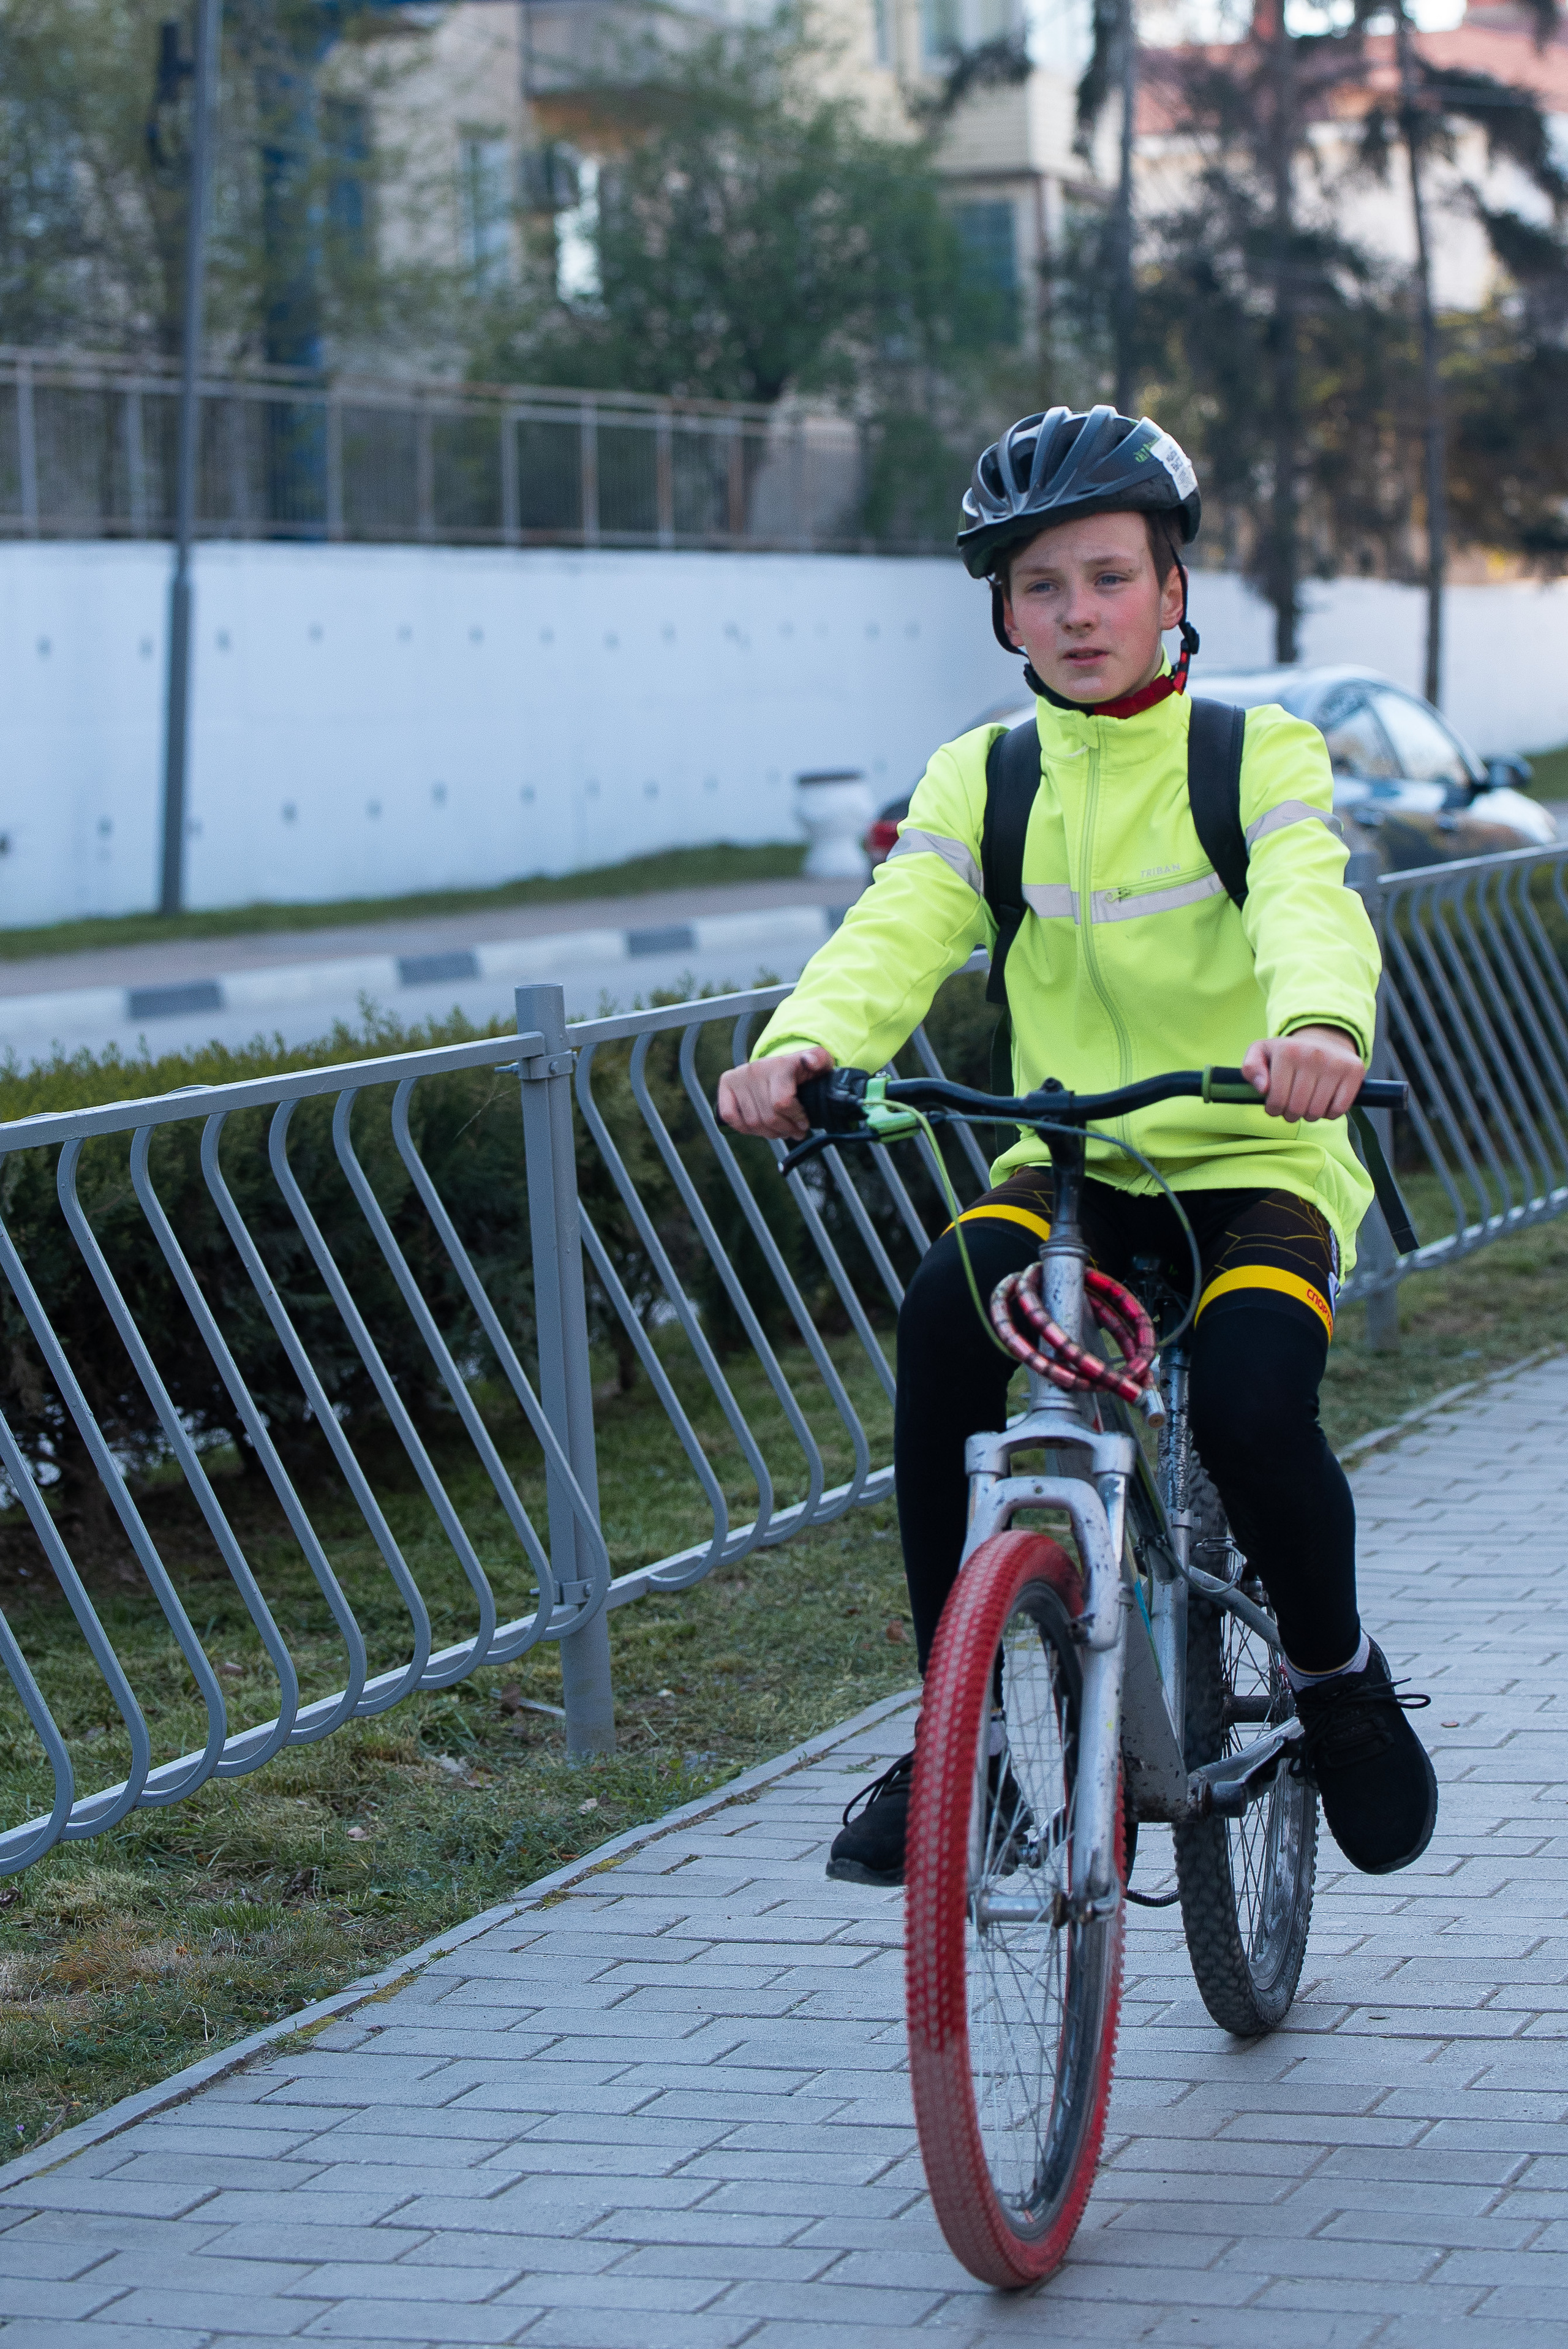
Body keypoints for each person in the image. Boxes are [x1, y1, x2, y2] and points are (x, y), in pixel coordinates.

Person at [717, 404, 1436, 1891]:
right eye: (1039, 586)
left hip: (1253, 1161)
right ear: (1004, 615)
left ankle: (1333, 1675)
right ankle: (962, 1743)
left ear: (1171, 590)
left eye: (1108, 577)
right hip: (1067, 1170)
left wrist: (1315, 1028)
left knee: (1248, 1408)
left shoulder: (1251, 752)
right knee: (941, 1319)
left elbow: (1307, 900)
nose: (1077, 612)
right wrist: (806, 1044)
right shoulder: (981, 778)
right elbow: (898, 926)